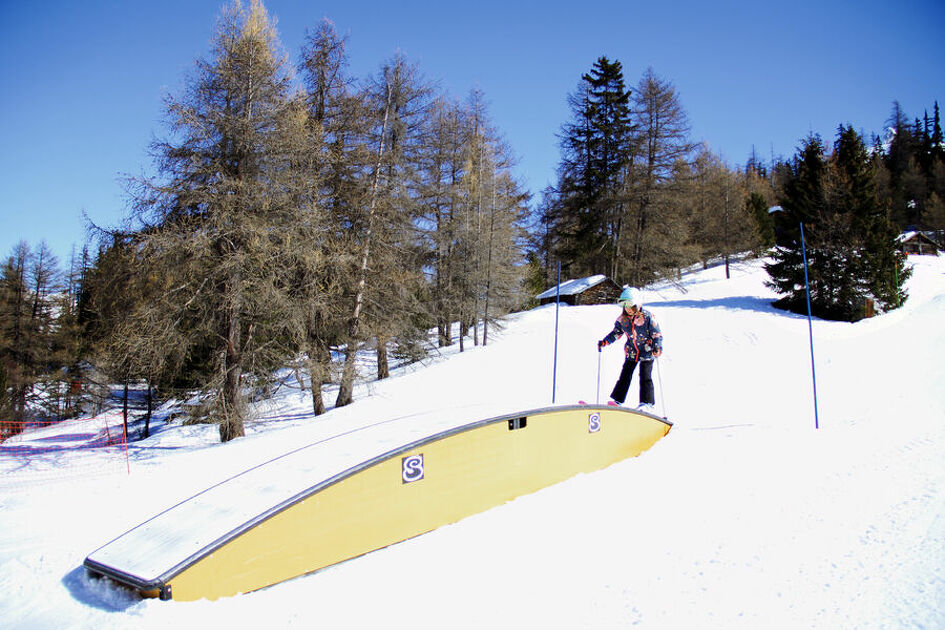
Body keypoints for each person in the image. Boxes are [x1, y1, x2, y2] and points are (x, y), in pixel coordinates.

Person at [597, 287, 663, 410]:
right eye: (624, 305)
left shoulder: (648, 317)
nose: (627, 308)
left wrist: (657, 347)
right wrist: (605, 341)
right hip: (632, 352)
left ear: (637, 304)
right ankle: (617, 400)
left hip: (648, 351)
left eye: (630, 305)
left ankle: (647, 403)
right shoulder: (623, 320)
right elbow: (616, 333)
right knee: (625, 375)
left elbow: (657, 334)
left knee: (645, 376)